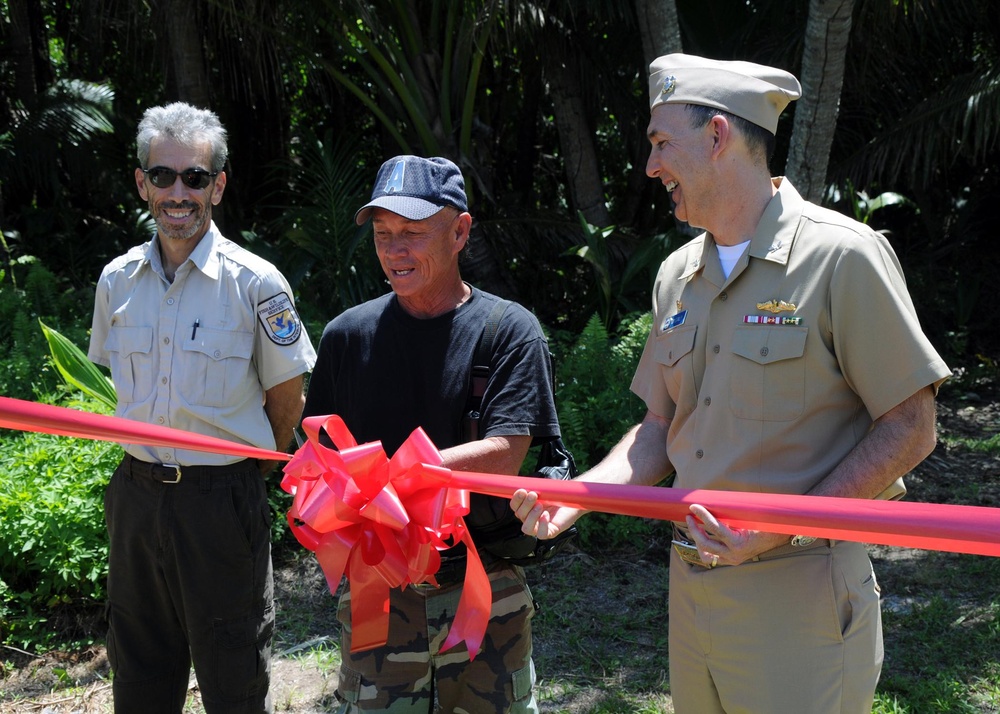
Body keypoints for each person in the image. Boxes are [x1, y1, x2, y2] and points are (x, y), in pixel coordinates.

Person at [511, 53, 952, 713]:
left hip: (798, 592)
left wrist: (779, 529)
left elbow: (912, 426)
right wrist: (579, 495)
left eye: (662, 143)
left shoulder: (841, 257)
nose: (651, 166)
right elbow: (660, 432)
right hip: (692, 593)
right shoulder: (677, 276)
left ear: (718, 136)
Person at [302, 154, 560, 713]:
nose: (395, 251)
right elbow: (317, 459)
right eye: (383, 233)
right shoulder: (347, 336)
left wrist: (384, 480)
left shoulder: (509, 331)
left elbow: (504, 454)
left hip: (482, 586)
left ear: (460, 231)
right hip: (377, 589)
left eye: (413, 234)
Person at [88, 101, 316, 714]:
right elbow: (122, 386)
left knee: (233, 675)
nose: (178, 192)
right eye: (163, 176)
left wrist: (247, 472)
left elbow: (286, 399)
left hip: (220, 502)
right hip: (135, 498)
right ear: (143, 183)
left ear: (217, 184)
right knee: (138, 671)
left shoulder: (257, 283)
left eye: (194, 177)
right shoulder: (116, 280)